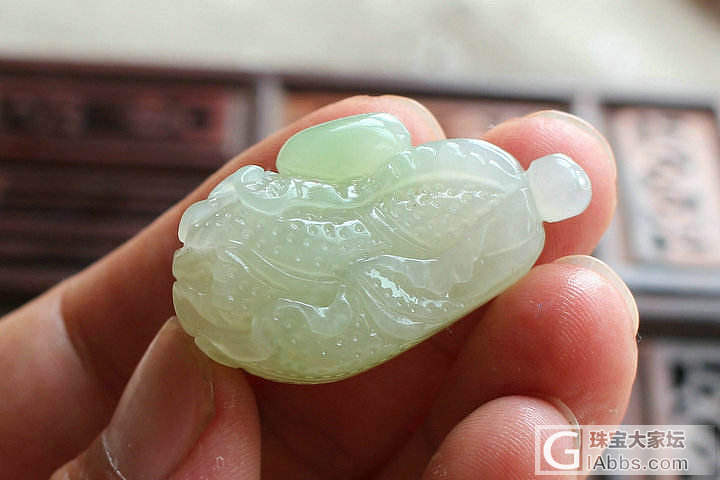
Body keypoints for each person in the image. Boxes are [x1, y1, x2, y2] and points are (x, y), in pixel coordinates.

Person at [0, 95, 638, 479]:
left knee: (331, 274)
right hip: (347, 217)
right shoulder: (485, 171)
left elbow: (435, 284)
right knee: (304, 230)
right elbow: (380, 179)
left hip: (367, 260)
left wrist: (380, 273)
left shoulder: (514, 239)